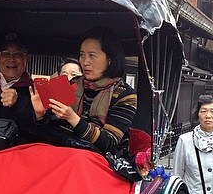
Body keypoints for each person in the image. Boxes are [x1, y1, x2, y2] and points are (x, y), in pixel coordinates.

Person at [28, 26, 137, 155]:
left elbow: (109, 143)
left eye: (92, 56)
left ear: (110, 59)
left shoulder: (125, 95)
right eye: (82, 55)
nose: (85, 62)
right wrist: (40, 115)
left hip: (96, 159)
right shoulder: (70, 84)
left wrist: (73, 118)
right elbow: (51, 127)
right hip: (60, 149)